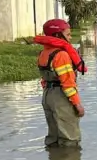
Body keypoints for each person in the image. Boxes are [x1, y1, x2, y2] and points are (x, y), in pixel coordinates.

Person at [34, 19, 87, 148]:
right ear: (58, 35)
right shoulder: (61, 55)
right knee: (70, 139)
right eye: (68, 34)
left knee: (53, 138)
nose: (70, 38)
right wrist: (77, 104)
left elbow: (44, 79)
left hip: (47, 95)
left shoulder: (44, 53)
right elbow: (67, 83)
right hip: (61, 97)